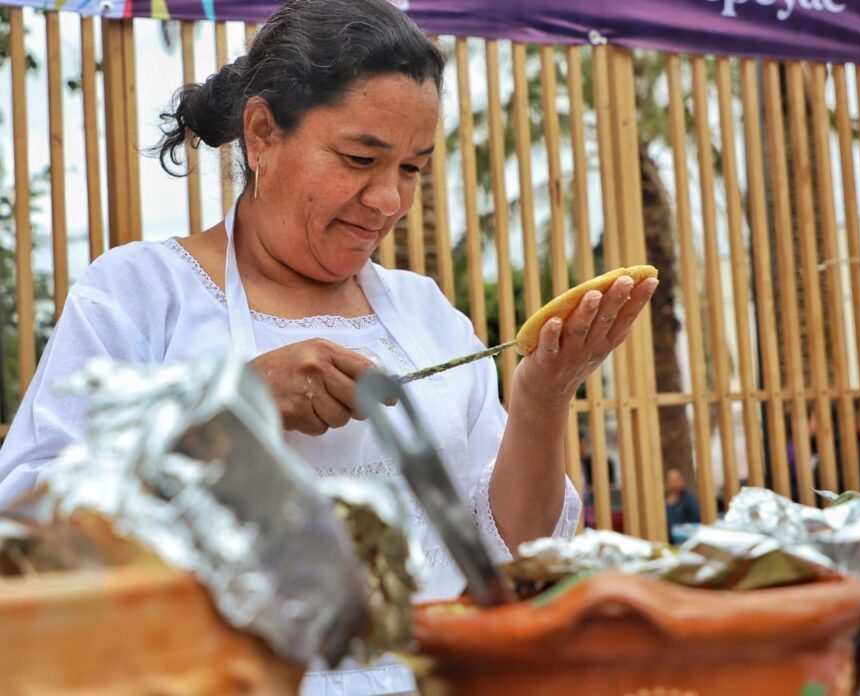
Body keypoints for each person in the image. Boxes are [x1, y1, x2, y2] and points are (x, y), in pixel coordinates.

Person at [0, 0, 658, 692]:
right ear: (262, 133)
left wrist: (543, 399)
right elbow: (30, 529)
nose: (388, 200)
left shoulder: (428, 315)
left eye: (412, 169)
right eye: (359, 159)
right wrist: (235, 404)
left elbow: (515, 555)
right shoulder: (140, 294)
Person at [665, 468, 700, 543]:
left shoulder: (689, 500)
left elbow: (696, 519)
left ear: (681, 481)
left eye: (675, 480)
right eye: (670, 481)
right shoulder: (664, 500)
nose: (673, 484)